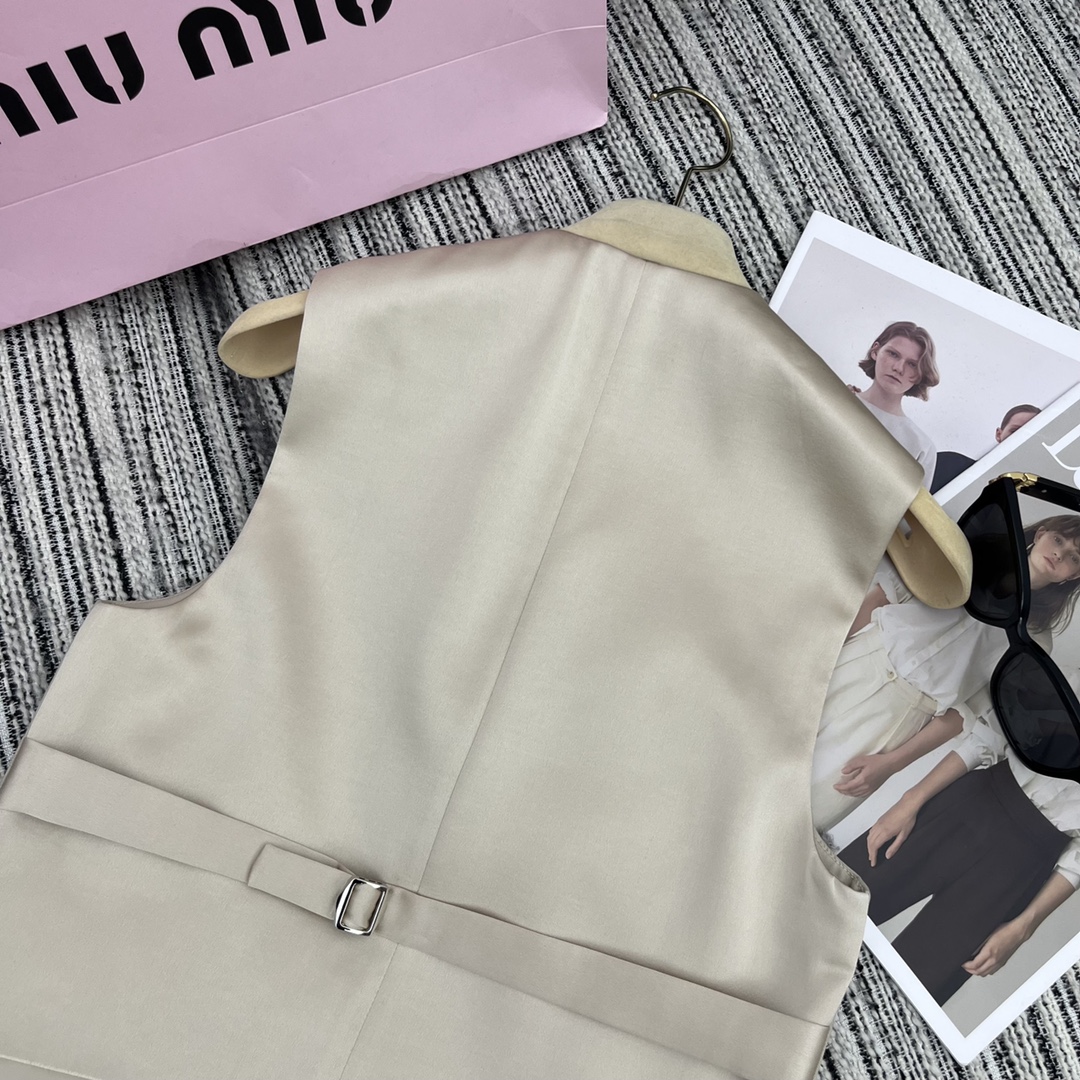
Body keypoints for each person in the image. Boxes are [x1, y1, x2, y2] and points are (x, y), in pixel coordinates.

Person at [811, 514, 1080, 832]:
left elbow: (963, 713)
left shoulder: (1034, 640)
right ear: (1041, 533)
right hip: (859, 661)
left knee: (814, 804)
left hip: (898, 717)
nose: (1059, 553)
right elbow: (881, 598)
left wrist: (891, 764)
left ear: (1074, 575)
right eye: (1058, 540)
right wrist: (817, 656)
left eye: (1075, 557)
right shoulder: (970, 560)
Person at [839, 708, 1080, 1006]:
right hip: (968, 804)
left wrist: (1024, 927)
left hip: (1022, 864)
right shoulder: (1072, 686)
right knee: (835, 901)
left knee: (912, 990)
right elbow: (990, 734)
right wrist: (911, 800)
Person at [851, 321, 940, 487]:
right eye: (893, 354)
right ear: (876, 351)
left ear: (920, 374)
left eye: (912, 364)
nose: (899, 368)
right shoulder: (836, 399)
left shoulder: (921, 447)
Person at [931, 404, 1042, 492]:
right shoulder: (948, 465)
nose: (1021, 438)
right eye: (1014, 431)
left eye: (1030, 434)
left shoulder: (1035, 495)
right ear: (999, 434)